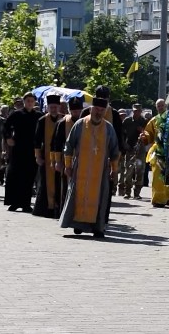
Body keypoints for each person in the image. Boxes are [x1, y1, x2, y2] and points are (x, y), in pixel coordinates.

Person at [60, 98, 120, 238]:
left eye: (102, 110)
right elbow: (69, 145)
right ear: (91, 109)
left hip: (101, 172)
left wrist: (114, 169)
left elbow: (114, 150)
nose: (99, 112)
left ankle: (98, 228)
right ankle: (77, 224)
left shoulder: (108, 128)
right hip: (80, 168)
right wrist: (67, 165)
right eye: (97, 109)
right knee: (77, 196)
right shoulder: (80, 124)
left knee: (100, 199)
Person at [4, 92, 42, 212]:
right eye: (28, 101)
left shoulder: (38, 116)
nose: (30, 103)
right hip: (18, 148)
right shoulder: (17, 114)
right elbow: (5, 126)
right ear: (24, 102)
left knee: (29, 177)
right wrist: (8, 138)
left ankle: (26, 203)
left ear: (34, 102)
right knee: (16, 175)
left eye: (32, 101)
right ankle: (14, 203)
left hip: (32, 149)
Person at [52, 97, 84, 216]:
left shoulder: (86, 122)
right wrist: (57, 161)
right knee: (65, 186)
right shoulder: (62, 123)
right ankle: (64, 212)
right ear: (70, 110)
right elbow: (56, 143)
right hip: (67, 159)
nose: (76, 113)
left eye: (78, 111)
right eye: (74, 111)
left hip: (82, 159)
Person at [33, 94, 64, 218]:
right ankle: (46, 209)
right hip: (46, 158)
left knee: (59, 183)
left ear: (59, 107)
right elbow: (36, 140)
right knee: (45, 183)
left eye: (55, 107)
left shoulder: (64, 120)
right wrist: (38, 157)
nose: (53, 109)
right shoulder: (42, 120)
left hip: (61, 157)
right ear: (47, 108)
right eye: (51, 107)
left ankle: (59, 208)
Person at [141, 98, 169, 207]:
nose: (160, 107)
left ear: (166, 106)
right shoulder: (154, 120)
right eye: (158, 106)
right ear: (156, 108)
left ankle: (167, 197)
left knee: (168, 175)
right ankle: (158, 199)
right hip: (157, 150)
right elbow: (148, 133)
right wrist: (144, 136)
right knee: (156, 175)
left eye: (162, 105)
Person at [122, 103, 147, 199]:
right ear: (132, 111)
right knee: (128, 170)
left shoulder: (144, 121)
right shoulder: (127, 121)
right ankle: (127, 192)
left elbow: (148, 135)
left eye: (139, 111)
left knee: (140, 171)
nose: (137, 112)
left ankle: (137, 192)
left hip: (140, 148)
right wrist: (124, 144)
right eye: (135, 110)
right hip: (130, 148)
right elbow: (122, 134)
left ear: (141, 111)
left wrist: (142, 131)